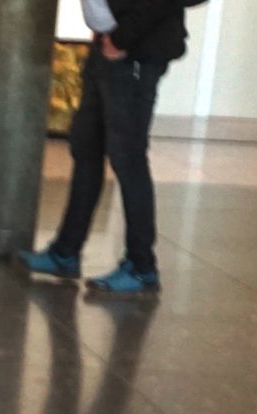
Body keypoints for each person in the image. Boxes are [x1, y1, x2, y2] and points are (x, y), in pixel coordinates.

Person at [17, 0, 194, 295]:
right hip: (105, 48)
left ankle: (141, 267)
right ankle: (65, 252)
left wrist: (123, 37)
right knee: (86, 147)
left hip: (133, 52)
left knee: (128, 159)